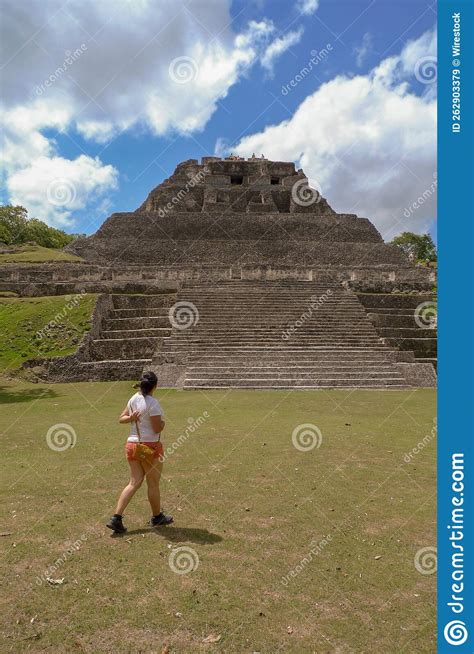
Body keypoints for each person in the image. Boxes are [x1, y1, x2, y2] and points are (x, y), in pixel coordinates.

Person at [106, 372, 173, 533]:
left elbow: (121, 418)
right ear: (154, 386)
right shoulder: (153, 403)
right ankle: (157, 516)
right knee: (153, 483)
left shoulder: (133, 399)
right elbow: (157, 428)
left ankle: (116, 517)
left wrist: (131, 418)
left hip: (132, 444)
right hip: (149, 446)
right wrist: (163, 423)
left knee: (134, 482)